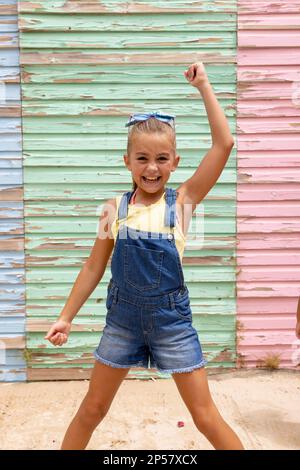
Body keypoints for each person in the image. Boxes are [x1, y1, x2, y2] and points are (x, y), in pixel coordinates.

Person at [45, 62, 244, 450]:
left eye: (162, 159)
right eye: (142, 159)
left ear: (175, 161)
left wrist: (203, 86)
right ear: (127, 161)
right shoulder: (113, 209)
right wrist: (65, 317)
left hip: (172, 324)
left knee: (204, 416)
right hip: (122, 322)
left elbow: (224, 145)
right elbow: (93, 266)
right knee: (92, 410)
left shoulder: (184, 203)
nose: (152, 168)